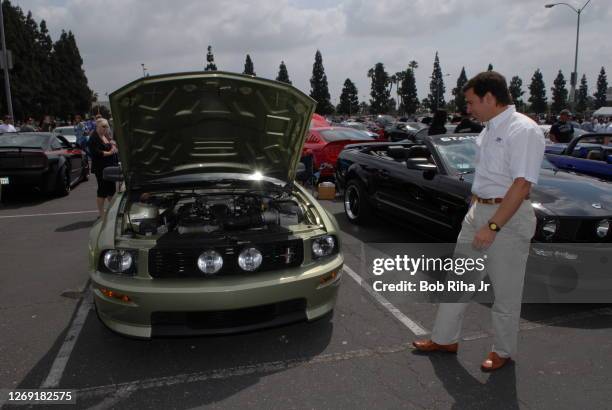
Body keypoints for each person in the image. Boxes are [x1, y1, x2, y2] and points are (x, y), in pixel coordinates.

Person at [412, 71, 545, 372]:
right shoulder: (489, 129)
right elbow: (489, 177)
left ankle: (503, 351)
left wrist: (493, 225)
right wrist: (477, 209)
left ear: (489, 98)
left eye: (471, 102)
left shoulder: (523, 130)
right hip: (479, 214)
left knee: (506, 292)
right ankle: (445, 339)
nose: (467, 109)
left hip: (506, 221)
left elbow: (522, 184)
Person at [89, 118, 119, 218]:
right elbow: (96, 153)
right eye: (103, 126)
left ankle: (113, 211)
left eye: (107, 126)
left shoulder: (105, 135)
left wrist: (113, 146)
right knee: (102, 191)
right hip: (101, 169)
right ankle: (101, 213)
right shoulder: (93, 138)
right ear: (97, 126)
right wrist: (110, 152)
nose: (105, 128)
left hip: (110, 168)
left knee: (112, 191)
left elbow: (112, 143)